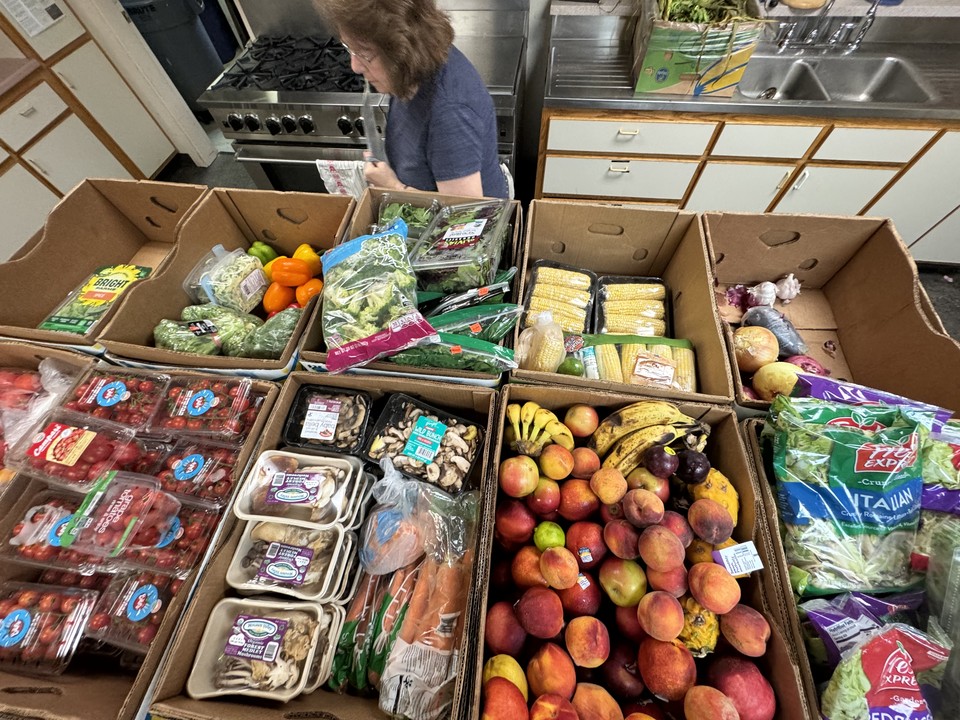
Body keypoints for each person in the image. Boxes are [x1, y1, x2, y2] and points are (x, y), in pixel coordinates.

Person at [318, 0, 511, 199]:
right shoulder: (411, 70)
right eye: (349, 49)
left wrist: (391, 185)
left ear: (402, 50)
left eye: (365, 54)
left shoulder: (450, 113)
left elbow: (464, 214)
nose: (354, 66)